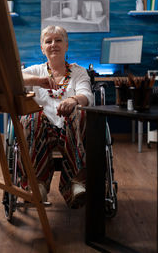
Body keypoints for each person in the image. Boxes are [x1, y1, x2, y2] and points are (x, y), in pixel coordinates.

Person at [20, 25, 93, 209]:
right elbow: (14, 78)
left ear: (66, 45)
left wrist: (74, 100)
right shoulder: (35, 71)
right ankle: (37, 185)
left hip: (71, 131)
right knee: (31, 117)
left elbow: (87, 96)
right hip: (41, 133)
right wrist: (36, 82)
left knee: (80, 111)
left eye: (58, 40)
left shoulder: (78, 72)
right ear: (42, 48)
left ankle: (76, 182)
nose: (53, 44)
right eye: (48, 41)